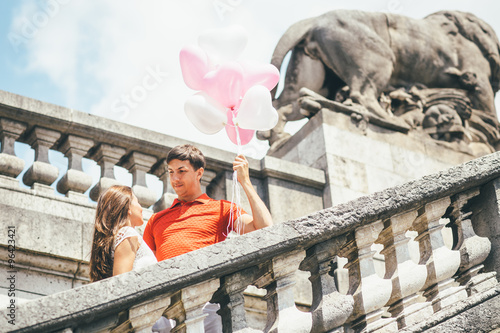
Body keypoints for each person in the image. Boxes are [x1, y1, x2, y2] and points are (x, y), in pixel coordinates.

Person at [142, 144, 273, 332]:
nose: (175, 178)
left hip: (206, 305)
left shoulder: (221, 208)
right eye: (171, 172)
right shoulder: (156, 219)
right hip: (165, 307)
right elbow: (146, 268)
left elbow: (264, 228)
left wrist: (245, 181)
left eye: (182, 171)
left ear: (199, 172)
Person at [89, 185, 173, 332]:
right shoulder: (127, 233)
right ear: (128, 208)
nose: (141, 208)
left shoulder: (121, 236)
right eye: (138, 202)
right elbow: (121, 284)